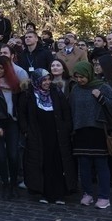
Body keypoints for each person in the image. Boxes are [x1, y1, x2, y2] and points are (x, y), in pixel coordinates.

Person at [17, 69, 76, 205]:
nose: (47, 82)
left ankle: (60, 193)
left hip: (57, 134)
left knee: (58, 163)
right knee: (43, 164)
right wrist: (26, 131)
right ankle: (45, 192)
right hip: (38, 136)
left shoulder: (56, 92)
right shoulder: (28, 95)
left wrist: (67, 128)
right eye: (44, 80)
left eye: (48, 79)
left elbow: (65, 111)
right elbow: (22, 114)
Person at [70, 61, 112, 209]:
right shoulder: (75, 89)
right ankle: (87, 193)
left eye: (82, 77)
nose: (79, 80)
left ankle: (104, 196)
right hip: (81, 131)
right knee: (84, 164)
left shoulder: (102, 86)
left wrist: (101, 98)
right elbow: (71, 108)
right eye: (77, 77)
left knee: (100, 164)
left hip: (98, 130)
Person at [0, 56, 21, 199]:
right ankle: (5, 183)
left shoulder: (15, 83)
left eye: (1, 68)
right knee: (1, 156)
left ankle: (13, 183)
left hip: (12, 121)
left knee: (13, 155)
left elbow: (19, 103)